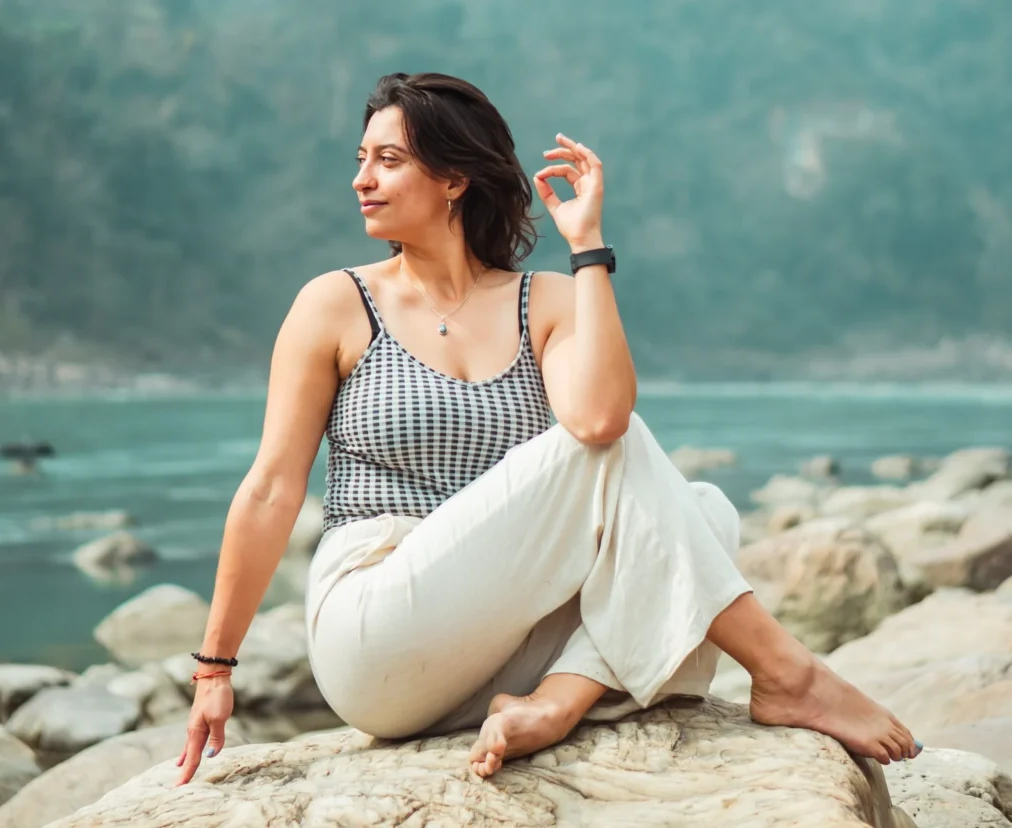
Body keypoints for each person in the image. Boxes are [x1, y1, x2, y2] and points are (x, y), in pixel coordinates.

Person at [176, 72, 921, 785]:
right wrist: (215, 668)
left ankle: (555, 705)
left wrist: (588, 247)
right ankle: (788, 674)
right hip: (378, 629)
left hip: (499, 647)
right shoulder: (336, 304)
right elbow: (273, 488)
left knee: (703, 513)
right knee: (626, 458)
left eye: (389, 160)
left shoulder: (549, 301)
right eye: (361, 159)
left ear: (454, 178)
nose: (361, 179)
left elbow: (598, 415)